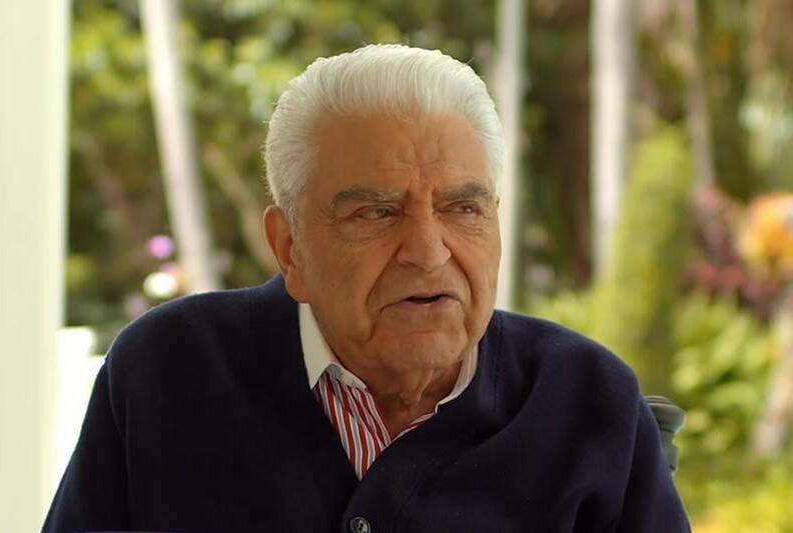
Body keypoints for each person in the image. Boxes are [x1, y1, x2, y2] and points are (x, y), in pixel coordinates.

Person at [43, 44, 690, 533]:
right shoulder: (167, 372)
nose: (428, 251)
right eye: (376, 212)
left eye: (462, 209)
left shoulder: (589, 399)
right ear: (290, 247)